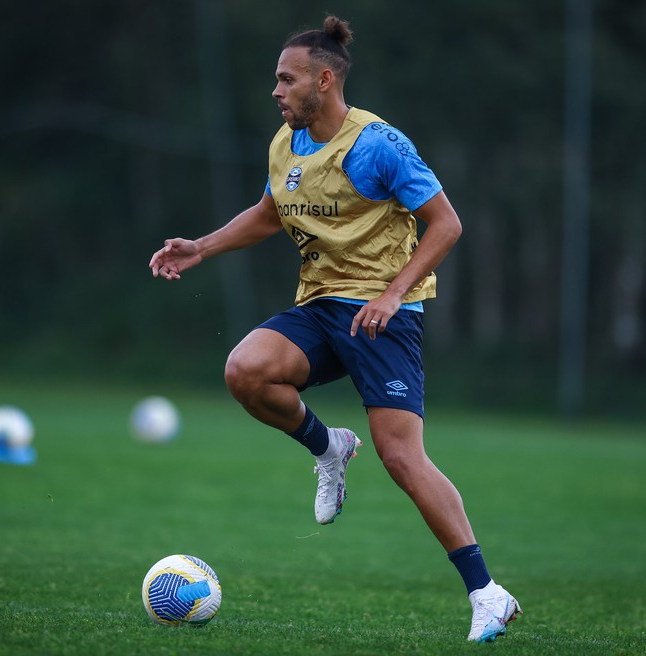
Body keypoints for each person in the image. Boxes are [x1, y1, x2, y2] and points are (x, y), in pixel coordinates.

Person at [149, 15, 520, 643]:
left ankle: (488, 593)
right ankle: (329, 448)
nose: (277, 91)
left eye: (287, 80)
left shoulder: (377, 144)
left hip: (386, 316)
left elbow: (446, 224)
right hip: (322, 306)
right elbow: (271, 212)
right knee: (245, 371)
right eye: (275, 80)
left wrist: (395, 293)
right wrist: (202, 248)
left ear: (324, 80)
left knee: (403, 457)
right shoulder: (284, 142)